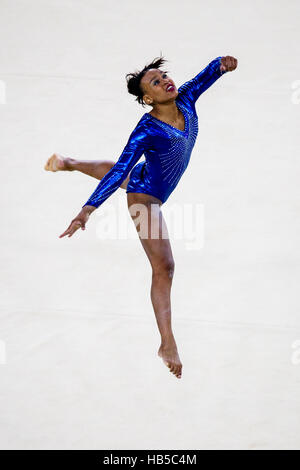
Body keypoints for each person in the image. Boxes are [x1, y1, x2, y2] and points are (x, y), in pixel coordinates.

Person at [44, 54, 238, 379]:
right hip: (146, 199)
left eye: (164, 76)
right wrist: (87, 209)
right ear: (148, 98)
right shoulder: (146, 129)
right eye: (156, 83)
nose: (165, 82)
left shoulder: (186, 98)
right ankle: (167, 342)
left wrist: (221, 64)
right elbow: (121, 166)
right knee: (164, 266)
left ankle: (68, 162)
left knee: (131, 175)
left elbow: (206, 74)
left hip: (147, 178)